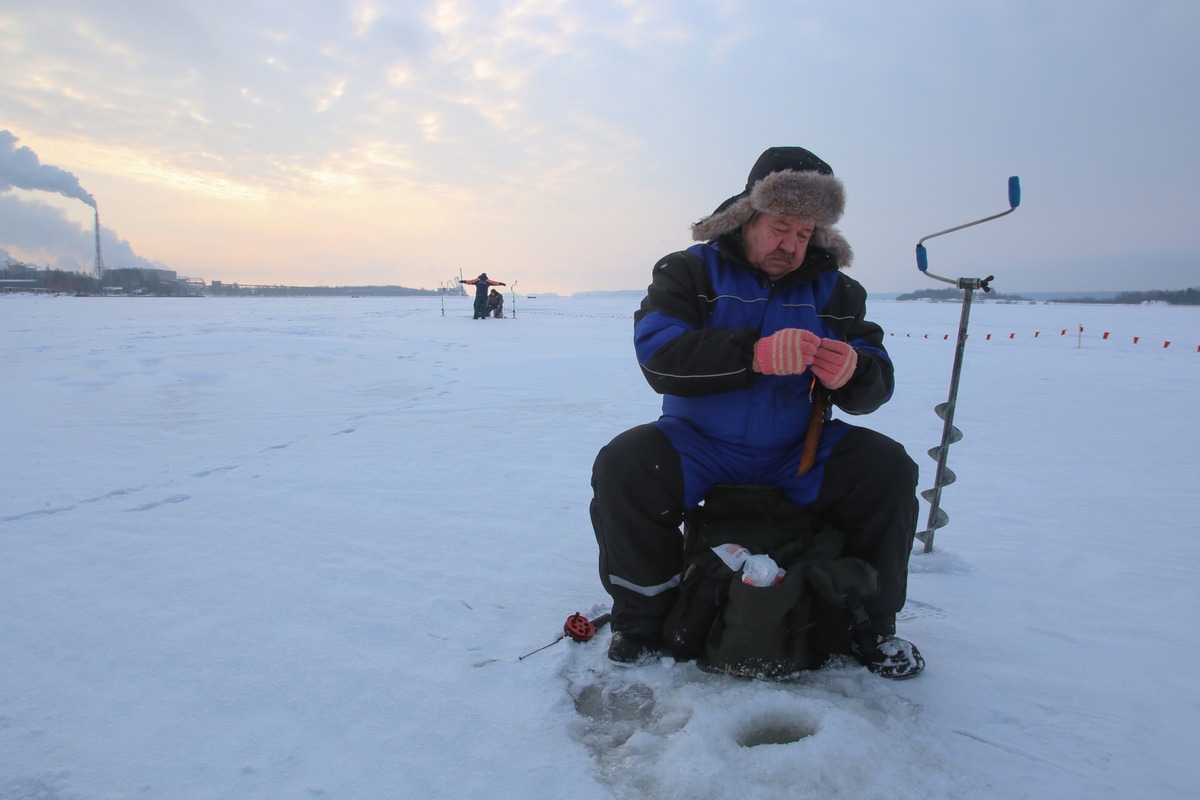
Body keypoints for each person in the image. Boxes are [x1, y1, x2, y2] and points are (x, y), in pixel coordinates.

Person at [589, 146, 924, 679]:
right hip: (698, 444)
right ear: (748, 212)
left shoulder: (838, 289)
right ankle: (642, 620)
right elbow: (659, 357)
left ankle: (869, 624)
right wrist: (753, 354)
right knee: (626, 465)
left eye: (805, 233)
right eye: (781, 227)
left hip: (799, 451)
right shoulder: (688, 271)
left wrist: (854, 371)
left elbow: (874, 384)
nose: (791, 246)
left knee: (888, 469)